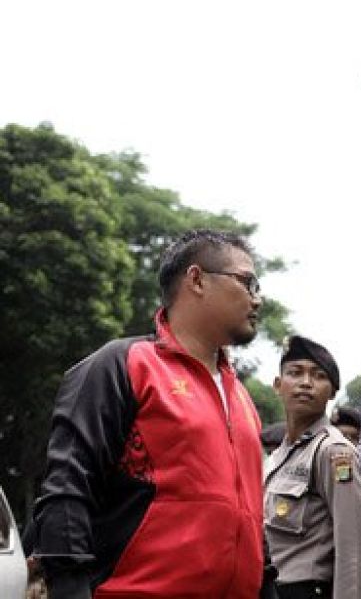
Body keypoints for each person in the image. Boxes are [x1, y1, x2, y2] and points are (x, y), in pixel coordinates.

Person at [31, 229, 274, 598]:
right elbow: (68, 487)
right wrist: (69, 586)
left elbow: (252, 515)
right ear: (196, 279)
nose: (258, 298)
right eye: (248, 282)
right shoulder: (123, 365)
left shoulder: (240, 396)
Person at [264, 335, 361, 599]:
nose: (305, 383)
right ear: (278, 385)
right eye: (295, 373)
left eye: (318, 376)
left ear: (333, 391)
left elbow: (356, 547)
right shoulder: (277, 457)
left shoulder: (334, 452)